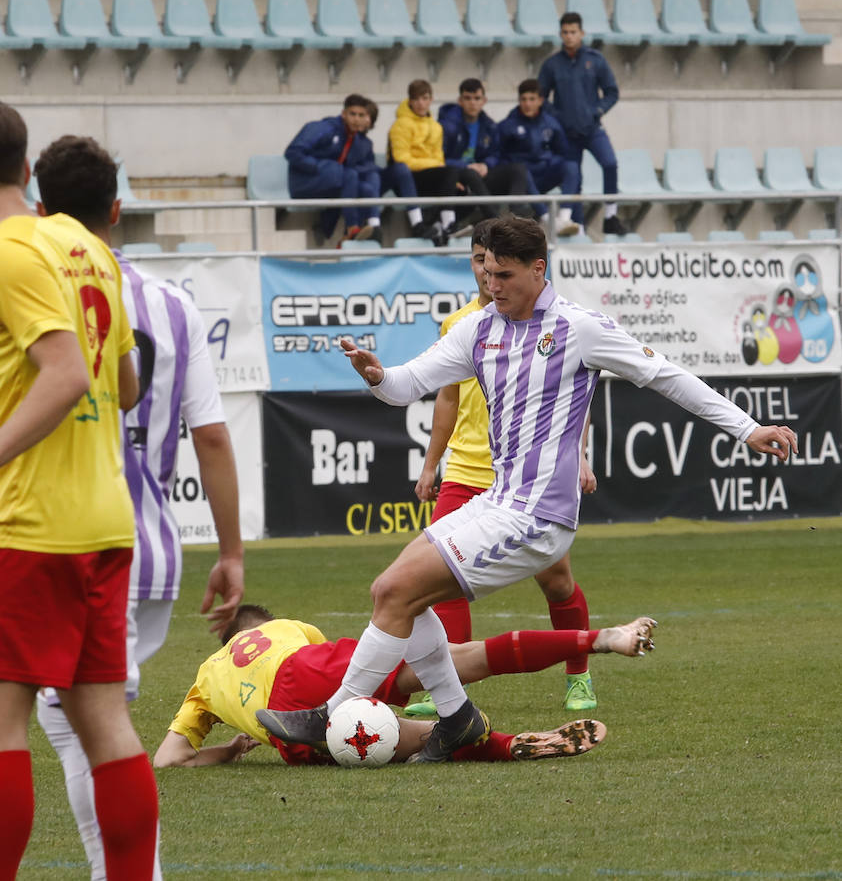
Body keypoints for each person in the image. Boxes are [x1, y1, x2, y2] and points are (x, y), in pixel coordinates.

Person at [257, 215, 798, 766]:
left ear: (539, 270)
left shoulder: (579, 328)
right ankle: (458, 717)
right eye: (487, 272)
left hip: (539, 517)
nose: (493, 285)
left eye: (506, 275)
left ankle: (333, 713)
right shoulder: (476, 329)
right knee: (393, 592)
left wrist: (747, 428)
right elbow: (406, 387)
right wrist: (376, 375)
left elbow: (665, 376)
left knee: (397, 591)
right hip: (497, 502)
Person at [32, 134, 244, 881]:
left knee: (73, 721)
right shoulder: (173, 305)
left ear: (38, 205)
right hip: (148, 542)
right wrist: (232, 551)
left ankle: (130, 873)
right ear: (117, 210)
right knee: (89, 718)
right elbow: (211, 438)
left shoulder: (33, 276)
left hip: (60, 533)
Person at [0, 104, 158, 880]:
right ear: (25, 168)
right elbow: (124, 387)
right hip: (103, 517)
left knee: (4, 722)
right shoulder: (91, 253)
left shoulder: (10, 251)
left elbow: (65, 377)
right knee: (104, 721)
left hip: (29, 522)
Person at [410, 219, 597, 718]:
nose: (487, 275)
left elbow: (570, 399)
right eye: (478, 263)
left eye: (494, 266)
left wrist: (580, 455)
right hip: (466, 470)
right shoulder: (462, 326)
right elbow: (445, 399)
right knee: (435, 581)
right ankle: (445, 688)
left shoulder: (560, 326)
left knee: (556, 583)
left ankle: (578, 673)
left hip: (526, 480)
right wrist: (432, 464)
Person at [155, 604, 656, 768]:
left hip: (291, 741)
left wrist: (230, 747)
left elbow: (169, 761)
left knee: (401, 733)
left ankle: (503, 744)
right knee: (464, 658)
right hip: (308, 669)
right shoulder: (284, 628)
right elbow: (355, 683)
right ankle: (599, 639)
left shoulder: (203, 683)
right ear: (257, 626)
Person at [538, 11, 627, 236]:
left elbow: (612, 92)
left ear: (582, 33)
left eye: (573, 32)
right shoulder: (552, 65)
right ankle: (578, 229)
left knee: (610, 163)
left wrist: (597, 111)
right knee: (574, 179)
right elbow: (540, 97)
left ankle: (611, 215)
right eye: (565, 32)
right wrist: (557, 117)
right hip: (567, 133)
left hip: (592, 128)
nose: (569, 36)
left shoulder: (595, 60)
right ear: (560, 34)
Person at [388, 79, 499, 244]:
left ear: (431, 100)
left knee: (462, 186)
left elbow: (439, 158)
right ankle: (437, 224)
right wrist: (437, 166)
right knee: (448, 171)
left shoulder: (435, 126)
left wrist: (449, 178)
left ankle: (444, 225)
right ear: (410, 100)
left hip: (427, 176)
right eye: (416, 99)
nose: (420, 103)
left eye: (424, 98)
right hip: (407, 178)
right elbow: (403, 159)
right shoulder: (400, 125)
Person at [285, 93, 383, 245]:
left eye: (361, 115)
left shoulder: (355, 139)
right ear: (343, 114)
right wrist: (320, 167)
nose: (356, 119)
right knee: (349, 175)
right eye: (352, 114)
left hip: (329, 184)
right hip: (303, 184)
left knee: (365, 189)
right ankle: (351, 228)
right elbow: (292, 152)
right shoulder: (324, 128)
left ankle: (346, 237)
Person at [438, 79, 533, 224]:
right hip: (455, 178)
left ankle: (517, 217)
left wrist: (486, 165)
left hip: (480, 177)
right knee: (471, 175)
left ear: (484, 101)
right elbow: (438, 158)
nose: (473, 103)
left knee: (518, 169)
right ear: (460, 101)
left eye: (477, 98)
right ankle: (496, 222)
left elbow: (495, 154)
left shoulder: (489, 126)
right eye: (468, 98)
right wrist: (465, 166)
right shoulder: (446, 126)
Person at [498, 79, 582, 238]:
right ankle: (548, 220)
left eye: (532, 99)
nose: (527, 104)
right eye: (523, 99)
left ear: (540, 101)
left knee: (571, 166)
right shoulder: (508, 125)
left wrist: (549, 160)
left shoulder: (550, 123)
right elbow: (499, 155)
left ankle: (564, 218)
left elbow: (563, 150)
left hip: (543, 175)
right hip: (520, 181)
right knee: (522, 170)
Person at [360, 98, 439, 243]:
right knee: (372, 177)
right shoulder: (341, 138)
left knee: (399, 169)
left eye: (366, 116)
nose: (362, 120)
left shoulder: (366, 142)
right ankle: (374, 227)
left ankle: (417, 224)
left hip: (371, 187)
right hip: (354, 188)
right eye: (357, 115)